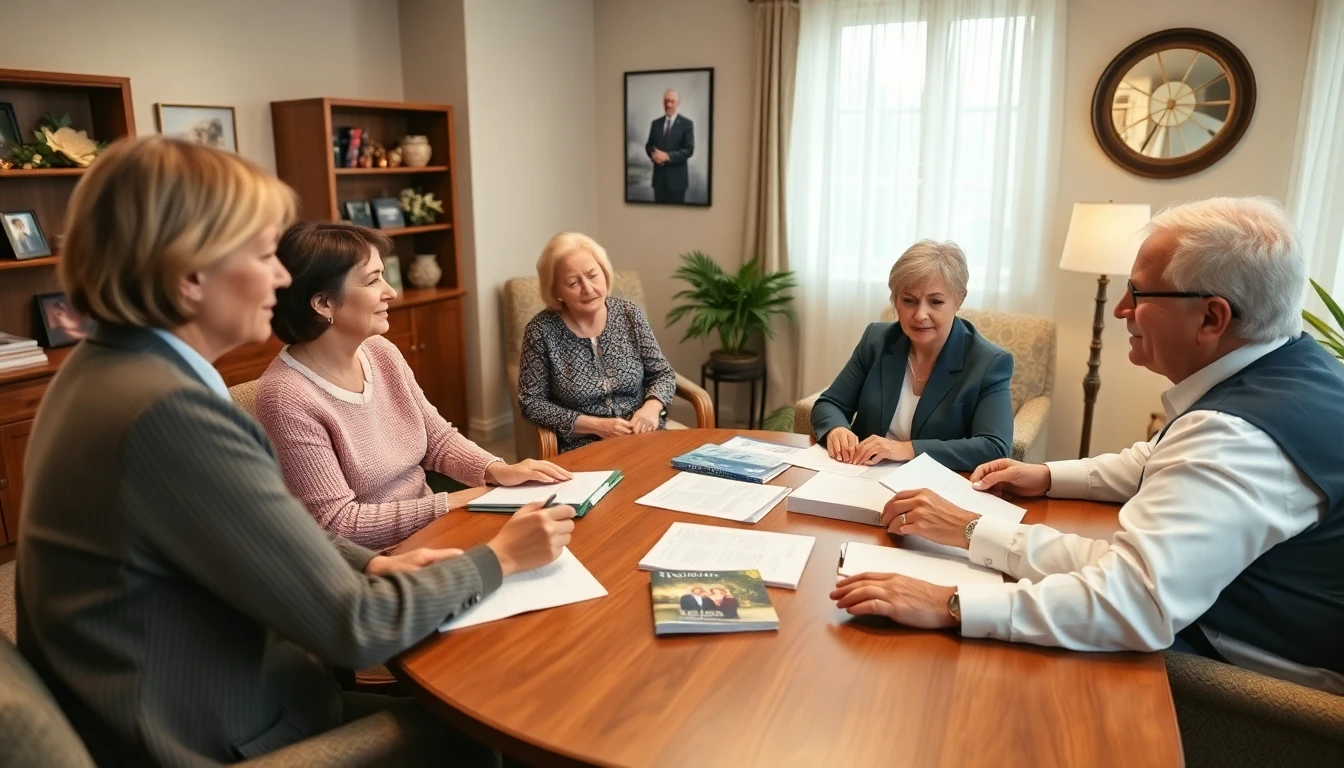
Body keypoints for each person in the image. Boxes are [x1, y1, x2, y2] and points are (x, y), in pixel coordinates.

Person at [16, 136, 577, 766]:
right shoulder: (169, 415)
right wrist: (497, 558)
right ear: (189, 273)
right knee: (502, 726)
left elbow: (249, 530)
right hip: (223, 734)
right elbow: (356, 628)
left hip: (197, 695)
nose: (281, 276)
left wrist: (367, 564)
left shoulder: (105, 371)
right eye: (262, 254)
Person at [831, 197, 1344, 693]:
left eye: (1139, 294)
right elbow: (1163, 458)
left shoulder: (1237, 437)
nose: (1121, 308)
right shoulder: (1293, 371)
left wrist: (949, 599)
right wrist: (1048, 476)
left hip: (1246, 683)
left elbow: (1131, 602)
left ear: (1212, 319)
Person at [255, 221, 571, 552]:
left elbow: (437, 440)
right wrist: (456, 501)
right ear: (323, 304)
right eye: (373, 280)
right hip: (373, 562)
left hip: (431, 528)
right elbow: (339, 524)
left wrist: (496, 470)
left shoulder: (380, 352)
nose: (390, 291)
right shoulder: (285, 398)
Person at [811, 240, 1014, 472]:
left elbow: (995, 446)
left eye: (935, 302)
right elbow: (831, 403)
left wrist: (907, 449)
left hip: (934, 487)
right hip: (861, 475)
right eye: (909, 301)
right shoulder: (876, 340)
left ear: (959, 299)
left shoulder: (989, 363)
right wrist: (836, 429)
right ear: (895, 299)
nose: (920, 315)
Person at [518, 232, 677, 453]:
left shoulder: (629, 314)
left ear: (605, 273)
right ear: (556, 291)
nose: (588, 289)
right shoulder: (541, 331)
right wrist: (597, 426)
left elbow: (662, 374)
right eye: (573, 282)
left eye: (593, 275)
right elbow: (531, 402)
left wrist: (651, 408)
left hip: (645, 436)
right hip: (586, 446)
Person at [644, 88, 694, 204]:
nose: (668, 104)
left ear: (678, 103)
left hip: (677, 182)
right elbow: (649, 145)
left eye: (672, 101)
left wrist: (667, 156)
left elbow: (689, 150)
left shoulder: (687, 124)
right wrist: (653, 155)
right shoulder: (655, 123)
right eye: (666, 101)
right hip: (659, 181)